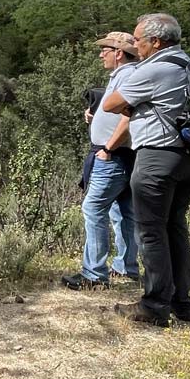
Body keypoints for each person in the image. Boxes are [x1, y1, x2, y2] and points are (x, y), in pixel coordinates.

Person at [100, 13, 190, 327]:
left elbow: (110, 104)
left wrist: (134, 105)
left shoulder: (155, 69)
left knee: (151, 231)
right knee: (175, 228)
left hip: (158, 156)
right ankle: (182, 303)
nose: (136, 46)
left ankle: (155, 305)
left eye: (139, 40)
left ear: (156, 41)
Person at [64, 32, 140, 291]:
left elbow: (128, 119)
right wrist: (95, 117)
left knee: (93, 209)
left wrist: (107, 148)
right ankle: (126, 268)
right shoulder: (124, 75)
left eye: (105, 50)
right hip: (126, 156)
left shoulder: (128, 76)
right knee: (124, 213)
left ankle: (94, 275)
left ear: (118, 53)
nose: (100, 54)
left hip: (114, 156)